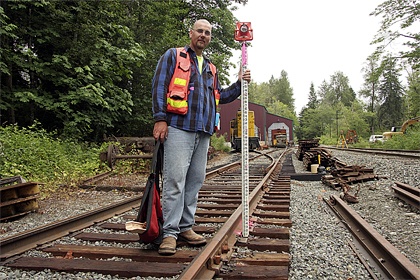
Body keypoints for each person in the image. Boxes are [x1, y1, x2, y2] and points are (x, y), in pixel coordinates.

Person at [151, 19, 251, 255]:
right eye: (200, 31)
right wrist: (160, 118)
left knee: (194, 182)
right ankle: (169, 234)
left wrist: (239, 83)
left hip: (203, 132)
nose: (203, 35)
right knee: (175, 180)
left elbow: (221, 97)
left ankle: (186, 226)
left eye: (207, 33)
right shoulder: (173, 56)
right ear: (191, 33)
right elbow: (159, 86)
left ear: (210, 38)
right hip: (178, 127)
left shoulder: (210, 68)